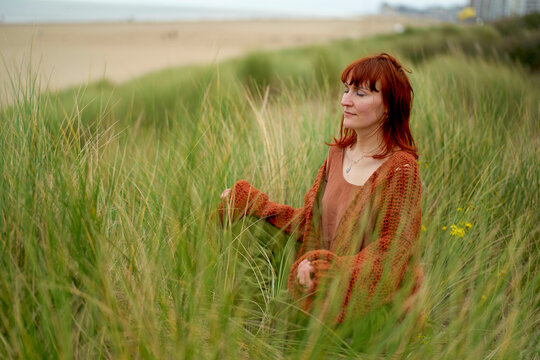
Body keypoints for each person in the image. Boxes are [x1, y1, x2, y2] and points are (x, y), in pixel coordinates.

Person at [218, 53, 424, 325]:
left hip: (367, 298)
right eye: (346, 89)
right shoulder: (337, 154)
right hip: (317, 272)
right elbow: (311, 223)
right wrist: (252, 203)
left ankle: (275, 323)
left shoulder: (400, 169)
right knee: (248, 226)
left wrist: (329, 271)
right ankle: (249, 323)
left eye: (360, 93)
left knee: (288, 318)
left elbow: (390, 253)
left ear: (389, 107)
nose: (345, 100)